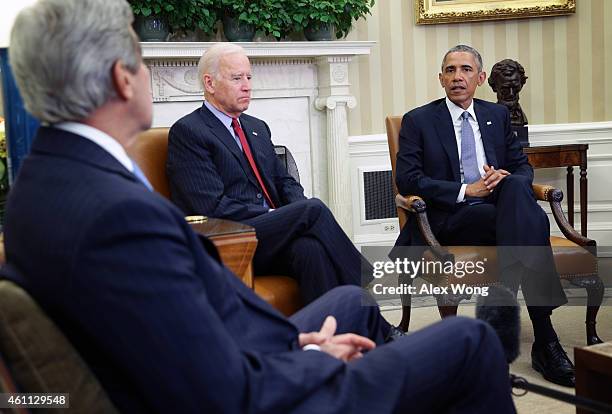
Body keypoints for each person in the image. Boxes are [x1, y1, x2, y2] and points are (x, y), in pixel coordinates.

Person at [4, 2, 516, 413]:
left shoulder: (43, 185)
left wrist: (291, 340)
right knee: (468, 339)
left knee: (349, 300)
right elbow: (223, 390)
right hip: (257, 384)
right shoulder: (117, 213)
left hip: (239, 345)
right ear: (122, 78)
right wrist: (313, 357)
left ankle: (384, 359)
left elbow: (181, 317)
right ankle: (384, 373)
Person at [394, 44, 574, 387]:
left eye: (464, 70)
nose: (456, 77)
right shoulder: (419, 120)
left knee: (517, 190)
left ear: (479, 78)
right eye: (449, 70)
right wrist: (467, 190)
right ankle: (545, 338)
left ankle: (523, 324)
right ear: (440, 79)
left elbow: (521, 166)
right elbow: (408, 180)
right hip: (450, 218)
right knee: (533, 222)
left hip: (497, 214)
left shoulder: (497, 115)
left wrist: (505, 178)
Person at [166, 43, 367, 304]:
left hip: (270, 235)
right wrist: (278, 215)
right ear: (210, 83)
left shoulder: (256, 127)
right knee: (313, 209)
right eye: (237, 78)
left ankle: (347, 335)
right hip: (231, 238)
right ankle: (365, 279)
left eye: (249, 77)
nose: (247, 85)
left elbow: (285, 182)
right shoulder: (189, 132)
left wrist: (292, 219)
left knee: (311, 250)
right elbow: (212, 207)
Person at [488, 59, 528, 126]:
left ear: (521, 84)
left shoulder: (521, 116)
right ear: (494, 87)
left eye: (515, 88)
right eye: (505, 88)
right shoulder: (491, 117)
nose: (511, 93)